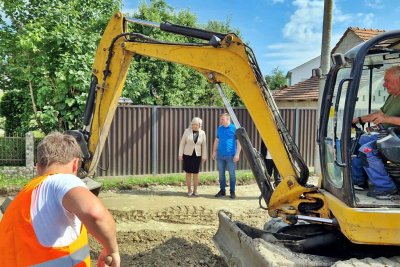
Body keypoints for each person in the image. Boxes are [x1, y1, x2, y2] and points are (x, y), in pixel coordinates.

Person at [0, 132, 120, 267]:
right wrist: (112, 250)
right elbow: (95, 214)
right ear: (75, 164)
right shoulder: (62, 180)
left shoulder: (19, 201)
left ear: (38, 168)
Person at [351, 65, 400, 199]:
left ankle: (386, 188)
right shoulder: (393, 96)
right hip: (389, 135)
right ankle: (358, 181)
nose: (384, 84)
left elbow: (385, 117)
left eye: (387, 81)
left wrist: (386, 119)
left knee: (367, 151)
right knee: (355, 142)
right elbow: (380, 114)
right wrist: (358, 119)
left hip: (396, 138)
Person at [212, 113, 241, 199]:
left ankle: (232, 191)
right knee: (221, 174)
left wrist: (237, 154)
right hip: (220, 155)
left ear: (228, 119)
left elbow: (239, 142)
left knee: (232, 174)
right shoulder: (219, 128)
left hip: (231, 155)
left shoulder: (234, 128)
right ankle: (222, 191)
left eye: (222, 119)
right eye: (220, 119)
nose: (221, 121)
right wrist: (214, 152)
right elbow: (217, 141)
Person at [178, 117, 207, 196]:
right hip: (187, 155)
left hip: (197, 156)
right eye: (193, 124)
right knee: (188, 173)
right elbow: (182, 143)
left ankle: (195, 190)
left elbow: (204, 145)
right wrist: (180, 154)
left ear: (200, 125)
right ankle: (189, 190)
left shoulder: (202, 133)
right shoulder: (187, 131)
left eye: (196, 124)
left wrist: (204, 156)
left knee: (196, 173)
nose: (195, 126)